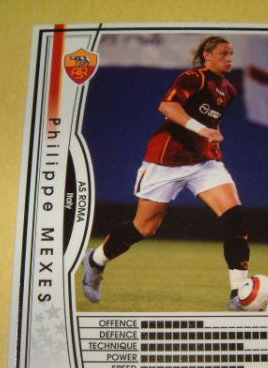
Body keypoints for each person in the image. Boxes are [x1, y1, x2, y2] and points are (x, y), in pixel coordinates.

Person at [82, 35, 249, 310]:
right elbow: (167, 107)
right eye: (223, 53)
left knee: (235, 217)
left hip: (203, 162)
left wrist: (211, 139)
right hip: (165, 160)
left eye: (231, 53)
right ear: (207, 55)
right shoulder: (193, 78)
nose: (229, 58)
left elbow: (211, 124)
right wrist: (202, 130)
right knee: (144, 227)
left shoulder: (228, 90)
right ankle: (95, 260)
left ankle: (239, 293)